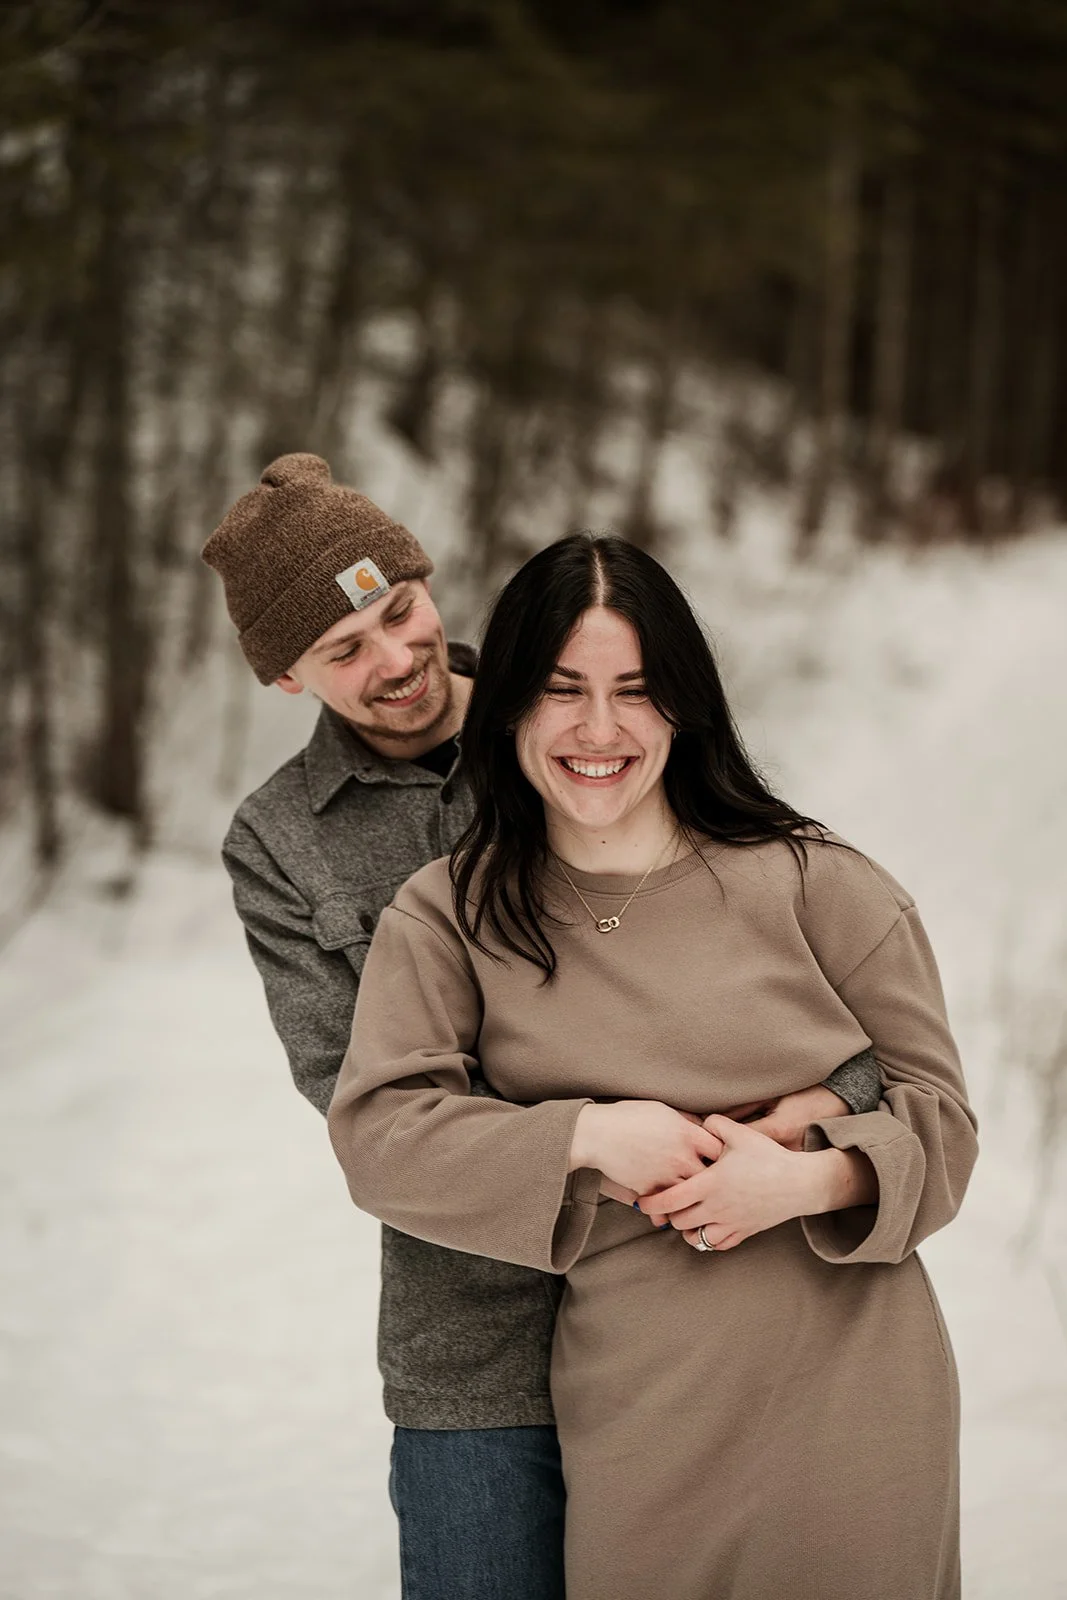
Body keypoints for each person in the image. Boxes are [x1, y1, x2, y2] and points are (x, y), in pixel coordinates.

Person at [203, 457, 884, 1598]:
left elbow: (791, 988)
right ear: (282, 676)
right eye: (343, 649)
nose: (395, 658)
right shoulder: (279, 841)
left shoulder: (590, 732)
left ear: (426, 582)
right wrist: (591, 1132)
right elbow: (354, 1095)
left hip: (694, 1304)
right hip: (474, 1339)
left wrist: (818, 1108)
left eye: (399, 610)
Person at [328, 532, 979, 1600]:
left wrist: (808, 1174)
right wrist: (589, 1135)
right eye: (560, 689)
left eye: (634, 690)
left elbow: (942, 1123)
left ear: (683, 704)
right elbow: (380, 1137)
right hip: (638, 1410)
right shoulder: (447, 913)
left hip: (854, 1401)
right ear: (503, 707)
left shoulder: (821, 884)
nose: (597, 728)